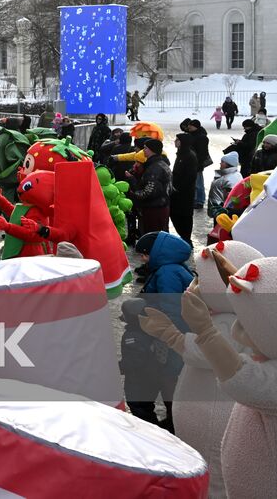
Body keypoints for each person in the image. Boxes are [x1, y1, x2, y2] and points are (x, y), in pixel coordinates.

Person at [125, 231, 193, 431]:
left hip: (169, 338)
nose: (142, 259)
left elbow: (171, 308)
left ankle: (172, 426)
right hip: (175, 336)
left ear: (154, 253)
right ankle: (173, 423)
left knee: (168, 382)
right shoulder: (174, 267)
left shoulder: (167, 273)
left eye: (144, 254)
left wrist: (164, 337)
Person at [128, 139, 173, 235]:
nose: (143, 150)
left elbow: (148, 193)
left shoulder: (154, 168)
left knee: (153, 238)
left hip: (154, 209)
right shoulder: (162, 164)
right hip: (162, 206)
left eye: (145, 148)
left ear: (152, 149)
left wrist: (132, 191)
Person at [168, 134, 197, 243]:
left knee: (184, 217)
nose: (175, 141)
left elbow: (190, 177)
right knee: (176, 215)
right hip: (177, 192)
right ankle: (184, 238)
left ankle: (186, 239)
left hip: (184, 194)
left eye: (177, 140)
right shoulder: (181, 154)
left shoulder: (189, 156)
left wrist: (178, 188)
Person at [208, 151, 241, 219]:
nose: (220, 163)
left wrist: (224, 210)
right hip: (219, 209)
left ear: (228, 164)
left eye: (222, 162)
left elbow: (230, 198)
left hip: (221, 211)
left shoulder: (229, 178)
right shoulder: (231, 174)